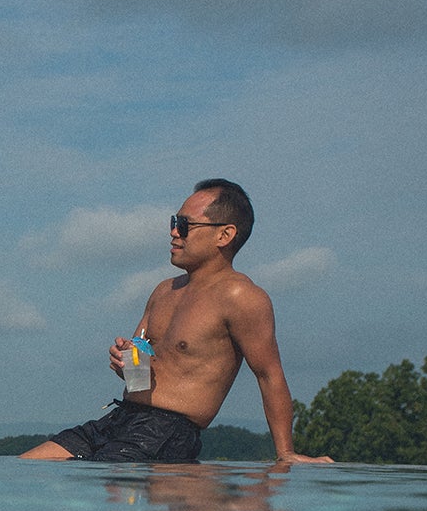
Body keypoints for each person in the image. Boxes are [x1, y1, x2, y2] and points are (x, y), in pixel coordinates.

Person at [22, 180, 333, 464]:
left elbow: (269, 375)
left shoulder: (241, 296)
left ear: (224, 235)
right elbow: (139, 377)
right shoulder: (163, 291)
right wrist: (126, 362)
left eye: (184, 225)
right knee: (25, 469)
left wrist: (286, 453)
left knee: (97, 485)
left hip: (167, 433)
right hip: (119, 419)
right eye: (174, 222)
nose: (173, 232)